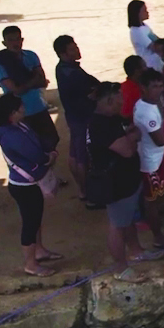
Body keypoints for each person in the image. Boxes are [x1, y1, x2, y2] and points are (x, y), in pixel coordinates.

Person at [0, 94, 59, 277]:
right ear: (12, 114)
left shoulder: (16, 126)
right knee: (30, 223)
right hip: (25, 185)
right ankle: (30, 264)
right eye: (20, 108)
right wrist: (49, 157)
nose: (24, 109)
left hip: (26, 183)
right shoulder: (13, 135)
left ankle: (39, 251)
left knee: (35, 218)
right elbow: (35, 155)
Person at [88, 82, 150, 281]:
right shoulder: (100, 125)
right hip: (116, 183)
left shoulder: (112, 118)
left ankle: (136, 250)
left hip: (127, 181)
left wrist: (130, 135)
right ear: (108, 101)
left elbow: (130, 130)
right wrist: (132, 137)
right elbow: (127, 149)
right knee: (118, 225)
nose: (122, 102)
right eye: (119, 99)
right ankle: (121, 268)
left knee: (129, 218)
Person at [0, 26, 59, 154]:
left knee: (51, 142)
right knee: (30, 148)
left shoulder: (31, 55)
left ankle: (49, 173)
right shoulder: (0, 64)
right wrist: (33, 80)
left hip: (39, 107)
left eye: (17, 39)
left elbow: (42, 82)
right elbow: (16, 91)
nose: (15, 43)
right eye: (11, 40)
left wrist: (27, 84)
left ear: (22, 39)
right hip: (20, 114)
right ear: (4, 43)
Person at [133, 68, 164, 254]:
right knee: (152, 200)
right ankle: (158, 238)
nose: (158, 90)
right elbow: (159, 139)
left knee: (157, 198)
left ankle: (160, 234)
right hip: (150, 162)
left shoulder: (146, 104)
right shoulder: (147, 113)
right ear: (143, 88)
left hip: (155, 157)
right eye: (154, 86)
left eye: (160, 86)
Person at [52, 34, 100, 202]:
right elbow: (93, 92)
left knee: (75, 154)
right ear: (62, 54)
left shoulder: (63, 68)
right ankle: (86, 192)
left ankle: (82, 190)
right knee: (82, 158)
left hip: (74, 117)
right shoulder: (73, 73)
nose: (77, 50)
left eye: (75, 46)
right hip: (83, 118)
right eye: (72, 49)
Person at [127, 0, 164, 71]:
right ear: (138, 13)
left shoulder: (144, 26)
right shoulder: (136, 31)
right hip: (151, 65)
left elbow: (156, 39)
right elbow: (153, 47)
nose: (147, 12)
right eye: (144, 10)